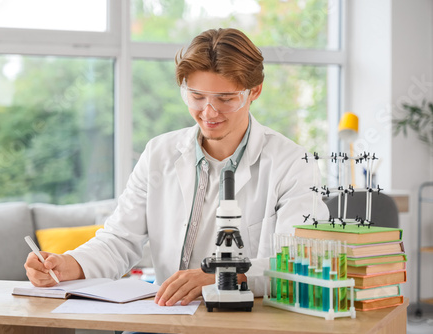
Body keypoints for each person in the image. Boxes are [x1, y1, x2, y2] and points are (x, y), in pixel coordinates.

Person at [24, 28, 328, 307]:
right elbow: (119, 240)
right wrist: (68, 265)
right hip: (165, 318)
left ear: (254, 92)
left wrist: (224, 275)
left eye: (225, 99)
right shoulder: (159, 153)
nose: (209, 112)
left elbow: (302, 261)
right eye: (196, 96)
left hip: (245, 319)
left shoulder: (294, 165)